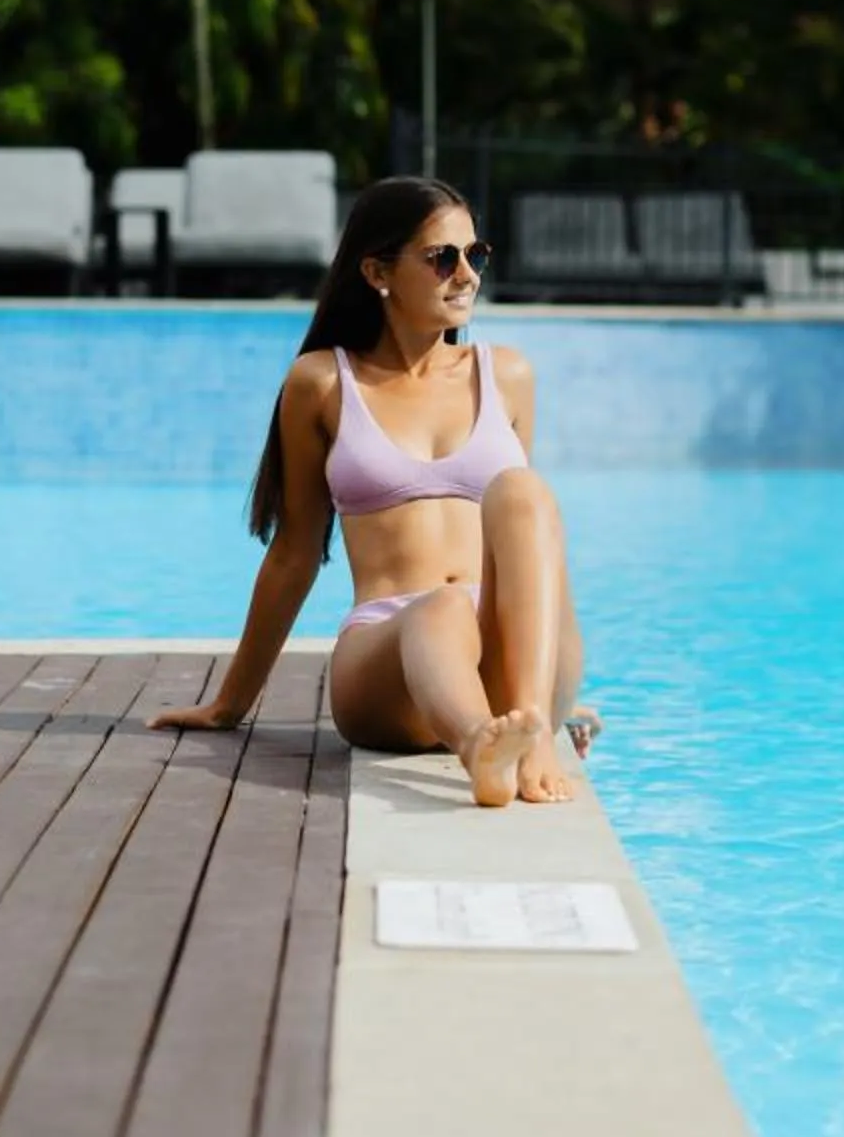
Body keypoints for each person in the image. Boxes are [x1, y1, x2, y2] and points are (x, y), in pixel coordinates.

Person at [149, 174, 597, 808]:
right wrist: (230, 705)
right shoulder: (322, 384)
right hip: (388, 659)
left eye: (477, 255)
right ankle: (481, 749)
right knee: (439, 610)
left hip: (503, 656)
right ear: (378, 271)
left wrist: (554, 695)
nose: (466, 274)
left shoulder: (508, 375)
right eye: (443, 258)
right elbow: (295, 552)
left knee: (523, 493)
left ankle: (530, 727)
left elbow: (522, 550)